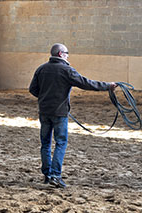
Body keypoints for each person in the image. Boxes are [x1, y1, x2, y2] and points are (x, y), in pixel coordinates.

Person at [29, 43, 117, 188]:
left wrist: (46, 97)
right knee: (61, 143)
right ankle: (56, 175)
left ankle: (47, 174)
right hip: (60, 113)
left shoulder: (41, 69)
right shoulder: (67, 70)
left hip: (44, 112)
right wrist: (107, 86)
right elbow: (86, 83)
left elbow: (33, 89)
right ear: (60, 54)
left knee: (45, 144)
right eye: (66, 53)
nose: (68, 55)